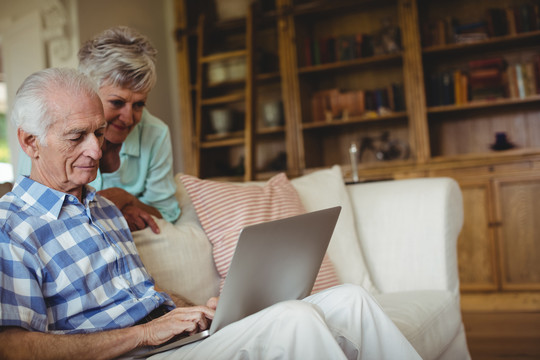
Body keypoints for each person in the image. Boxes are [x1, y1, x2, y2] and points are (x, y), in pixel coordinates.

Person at [1, 68, 421, 359]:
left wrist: (199, 310)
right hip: (133, 354)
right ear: (29, 142)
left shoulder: (104, 208)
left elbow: (145, 298)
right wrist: (146, 333)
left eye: (97, 133)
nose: (96, 150)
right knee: (294, 320)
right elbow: (13, 348)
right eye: (77, 137)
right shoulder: (12, 227)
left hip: (170, 343)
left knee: (351, 300)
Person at [16, 26, 180, 234]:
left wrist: (127, 200)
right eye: (116, 102)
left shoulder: (156, 133)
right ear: (88, 94)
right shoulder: (44, 134)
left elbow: (167, 213)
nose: (129, 118)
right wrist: (109, 208)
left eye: (139, 105)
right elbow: (33, 206)